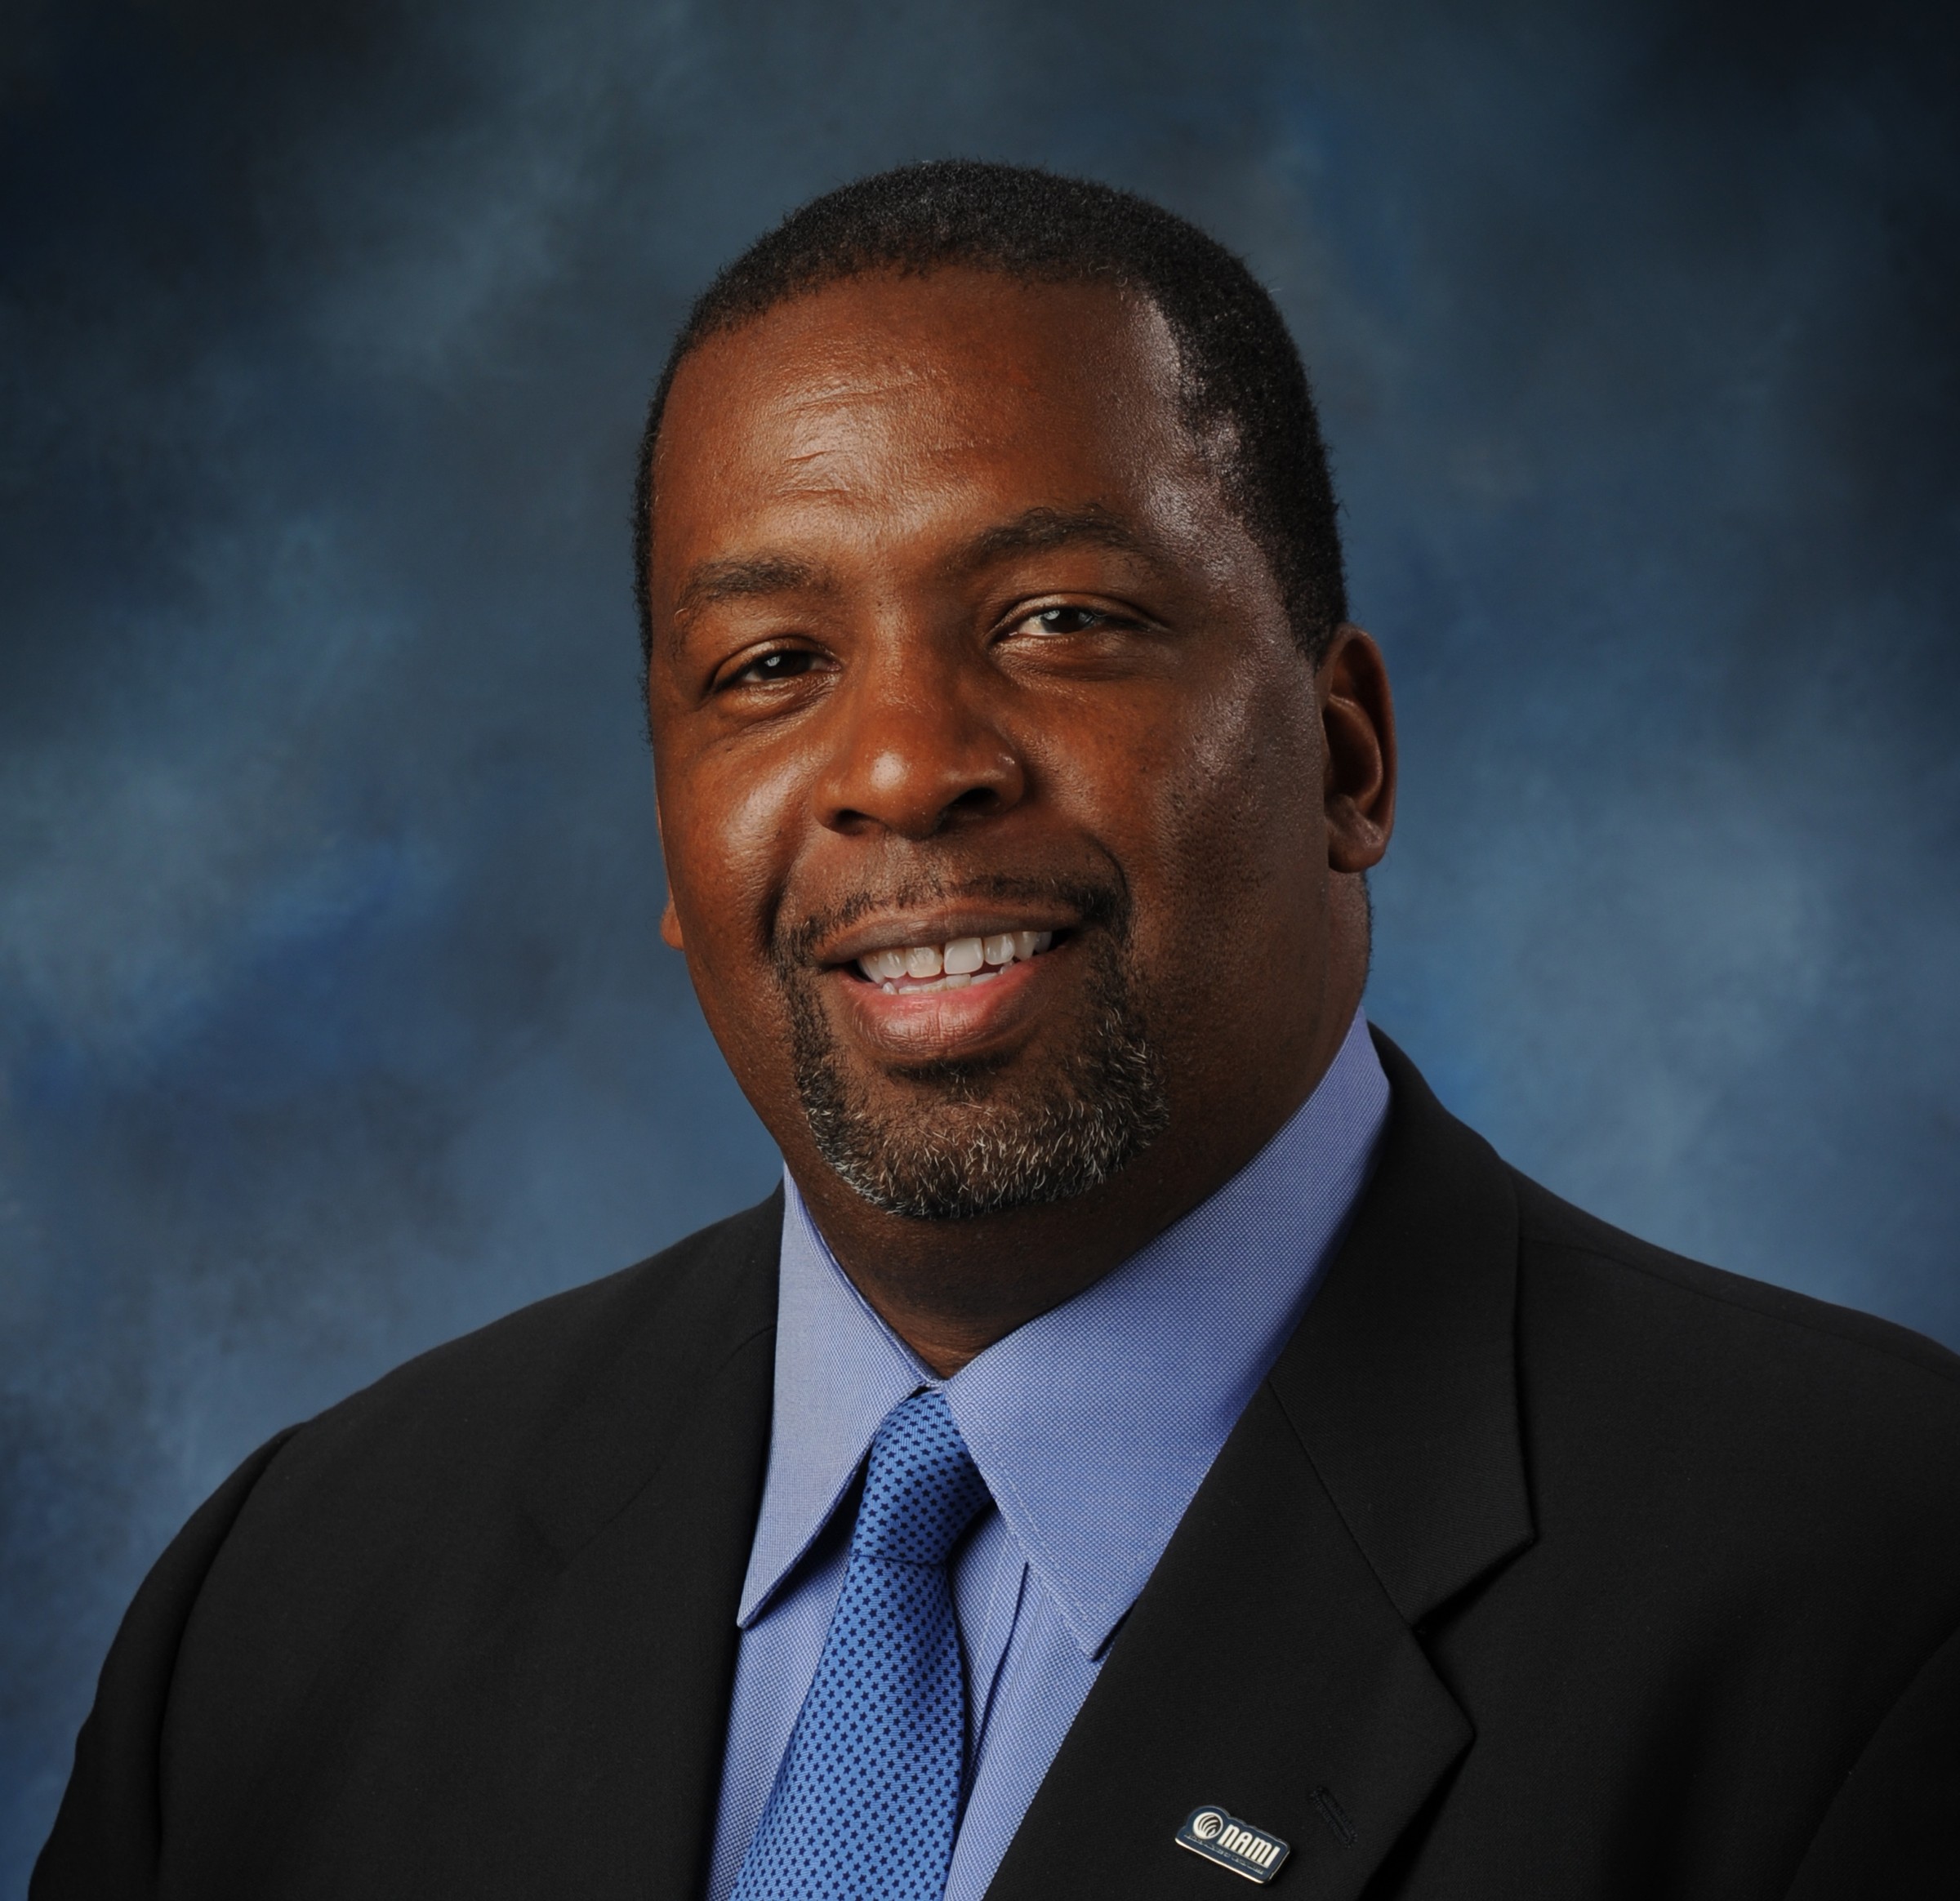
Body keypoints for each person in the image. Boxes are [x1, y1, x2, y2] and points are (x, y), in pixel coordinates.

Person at [33, 162, 1960, 1901]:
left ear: (1347, 757)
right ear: (672, 832)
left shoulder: (1876, 1594)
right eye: (771, 667)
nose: (900, 766)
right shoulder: (295, 1599)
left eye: (1058, 619)